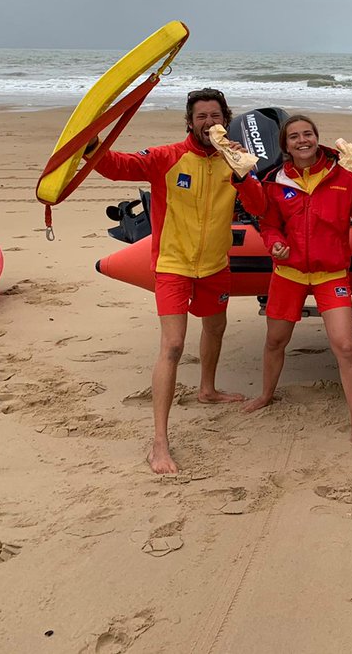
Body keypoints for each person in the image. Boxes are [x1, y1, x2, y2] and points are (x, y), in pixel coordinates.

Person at [85, 88, 248, 475]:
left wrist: (245, 171)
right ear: (189, 122)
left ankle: (207, 390)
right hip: (173, 265)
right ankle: (159, 442)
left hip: (214, 265)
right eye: (202, 116)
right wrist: (89, 143)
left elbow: (258, 206)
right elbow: (115, 166)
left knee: (216, 327)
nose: (209, 123)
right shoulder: (166, 157)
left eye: (215, 115)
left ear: (226, 118)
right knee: (173, 345)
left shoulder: (234, 161)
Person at [234, 114, 352, 445]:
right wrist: (274, 244)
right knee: (275, 341)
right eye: (294, 136)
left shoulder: (344, 175)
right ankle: (266, 395)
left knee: (344, 344)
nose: (302, 140)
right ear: (285, 144)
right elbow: (268, 224)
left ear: (317, 137)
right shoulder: (275, 181)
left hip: (332, 274)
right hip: (289, 274)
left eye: (308, 134)